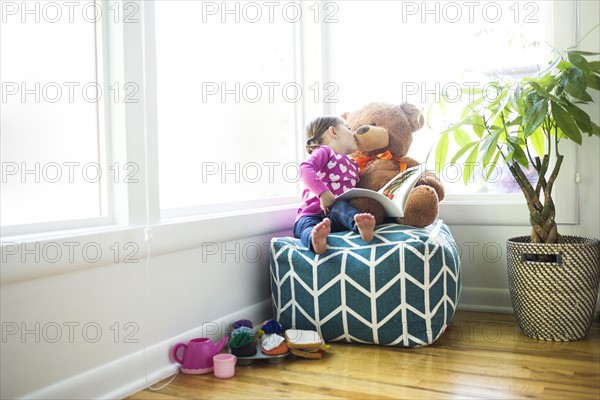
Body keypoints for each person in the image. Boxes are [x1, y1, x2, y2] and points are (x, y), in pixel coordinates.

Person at [294, 115, 376, 254]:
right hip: (311, 213)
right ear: (333, 131)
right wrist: (323, 193)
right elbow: (304, 169)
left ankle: (360, 225)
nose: (353, 132)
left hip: (334, 215)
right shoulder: (325, 151)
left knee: (341, 207)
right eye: (348, 128)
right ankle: (315, 239)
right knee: (305, 227)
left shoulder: (354, 165)